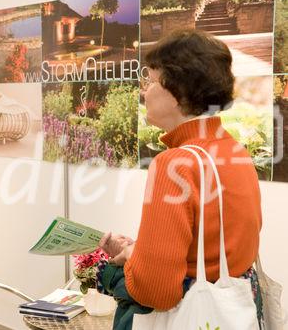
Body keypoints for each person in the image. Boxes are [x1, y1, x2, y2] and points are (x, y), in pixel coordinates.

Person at [98, 29, 262, 329]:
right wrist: (144, 250)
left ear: (178, 91)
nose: (143, 90)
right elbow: (218, 248)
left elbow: (156, 291)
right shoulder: (234, 151)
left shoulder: (174, 164)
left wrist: (132, 258)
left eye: (150, 80)